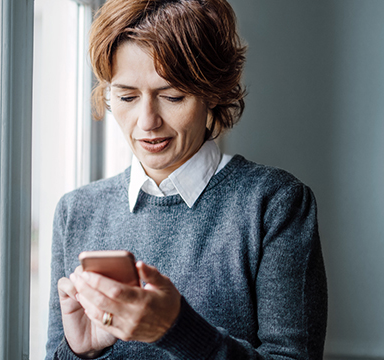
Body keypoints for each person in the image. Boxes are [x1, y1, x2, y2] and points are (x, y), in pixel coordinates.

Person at [45, 0, 327, 359]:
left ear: (213, 93)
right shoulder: (76, 211)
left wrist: (175, 329)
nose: (147, 121)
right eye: (127, 96)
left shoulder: (275, 204)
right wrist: (79, 352)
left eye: (172, 96)